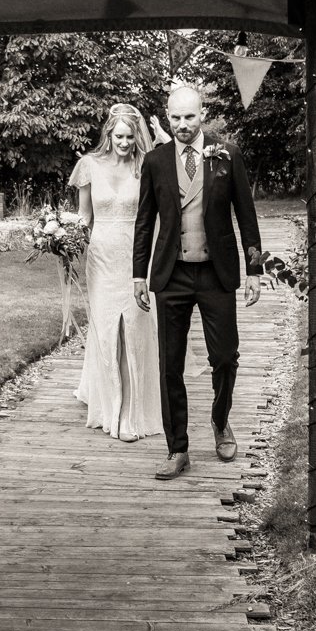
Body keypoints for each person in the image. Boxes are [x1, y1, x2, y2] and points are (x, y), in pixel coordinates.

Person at [132, 84, 264, 480]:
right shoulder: (155, 161)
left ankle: (220, 420)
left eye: (189, 117)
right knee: (169, 364)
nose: (182, 125)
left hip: (215, 271)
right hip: (171, 274)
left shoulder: (227, 154)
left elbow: (246, 212)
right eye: (175, 117)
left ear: (202, 114)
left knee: (224, 357)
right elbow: (145, 222)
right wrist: (139, 273)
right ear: (167, 116)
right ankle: (177, 447)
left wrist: (254, 269)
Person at [70, 103, 164, 441]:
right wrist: (63, 244)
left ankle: (129, 411)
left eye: (130, 136)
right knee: (107, 328)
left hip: (136, 257)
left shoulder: (145, 166)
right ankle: (111, 403)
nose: (124, 142)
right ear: (109, 134)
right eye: (119, 136)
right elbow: (83, 218)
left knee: (134, 329)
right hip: (101, 257)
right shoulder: (89, 166)